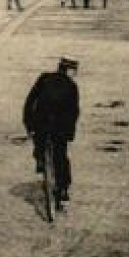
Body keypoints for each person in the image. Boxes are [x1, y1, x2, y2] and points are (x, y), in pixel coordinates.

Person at [24, 56, 81, 208]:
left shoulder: (44, 78)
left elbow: (30, 101)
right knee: (60, 155)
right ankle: (62, 188)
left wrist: (28, 126)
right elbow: (73, 112)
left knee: (39, 143)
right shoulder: (72, 86)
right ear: (69, 71)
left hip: (40, 123)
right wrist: (70, 134)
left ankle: (40, 159)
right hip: (59, 127)